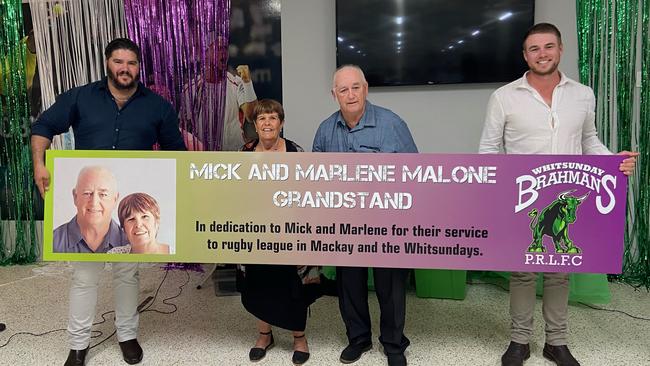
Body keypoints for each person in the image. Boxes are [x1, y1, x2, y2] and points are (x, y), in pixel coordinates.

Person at [478, 23, 638, 366]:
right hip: (524, 196)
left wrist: (615, 162)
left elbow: (589, 140)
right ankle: (519, 341)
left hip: (567, 191)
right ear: (525, 55)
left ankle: (557, 342)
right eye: (534, 49)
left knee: (560, 269)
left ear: (560, 50)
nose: (542, 54)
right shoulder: (503, 97)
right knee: (521, 271)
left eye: (548, 47)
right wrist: (495, 196)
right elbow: (489, 152)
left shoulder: (583, 94)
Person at [31, 37, 186, 366]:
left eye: (131, 63)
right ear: (107, 63)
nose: (125, 68)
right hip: (90, 203)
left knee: (127, 275)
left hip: (126, 208)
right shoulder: (81, 97)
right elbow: (43, 125)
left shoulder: (158, 106)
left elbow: (177, 156)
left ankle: (127, 335)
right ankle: (78, 344)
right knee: (84, 277)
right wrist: (39, 164)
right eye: (119, 62)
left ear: (138, 67)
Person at [312, 65, 417, 366]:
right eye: (343, 90)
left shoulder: (392, 124)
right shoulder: (325, 130)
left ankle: (394, 343)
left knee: (391, 287)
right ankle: (358, 339)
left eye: (355, 87)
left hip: (388, 222)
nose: (350, 94)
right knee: (350, 285)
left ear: (366, 88)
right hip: (345, 224)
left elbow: (416, 173)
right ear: (334, 95)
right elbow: (314, 179)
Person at [237, 99, 320, 365]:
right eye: (262, 119)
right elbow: (233, 194)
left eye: (273, 118)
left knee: (293, 287)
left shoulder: (297, 152)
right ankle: (264, 335)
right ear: (255, 124)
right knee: (259, 284)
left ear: (281, 123)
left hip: (291, 232)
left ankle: (299, 339)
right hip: (257, 233)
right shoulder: (244, 153)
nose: (267, 123)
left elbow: (311, 193)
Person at [180, 35, 257, 151]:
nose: (224, 53)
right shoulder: (190, 90)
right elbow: (183, 129)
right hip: (202, 157)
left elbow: (251, 116)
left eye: (225, 48)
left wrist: (248, 83)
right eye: (219, 48)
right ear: (205, 53)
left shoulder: (236, 84)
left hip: (234, 155)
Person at [53, 166, 124, 254]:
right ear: (75, 197)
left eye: (103, 194)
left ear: (115, 199)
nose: (94, 202)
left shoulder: (131, 243)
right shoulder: (52, 242)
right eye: (87, 193)